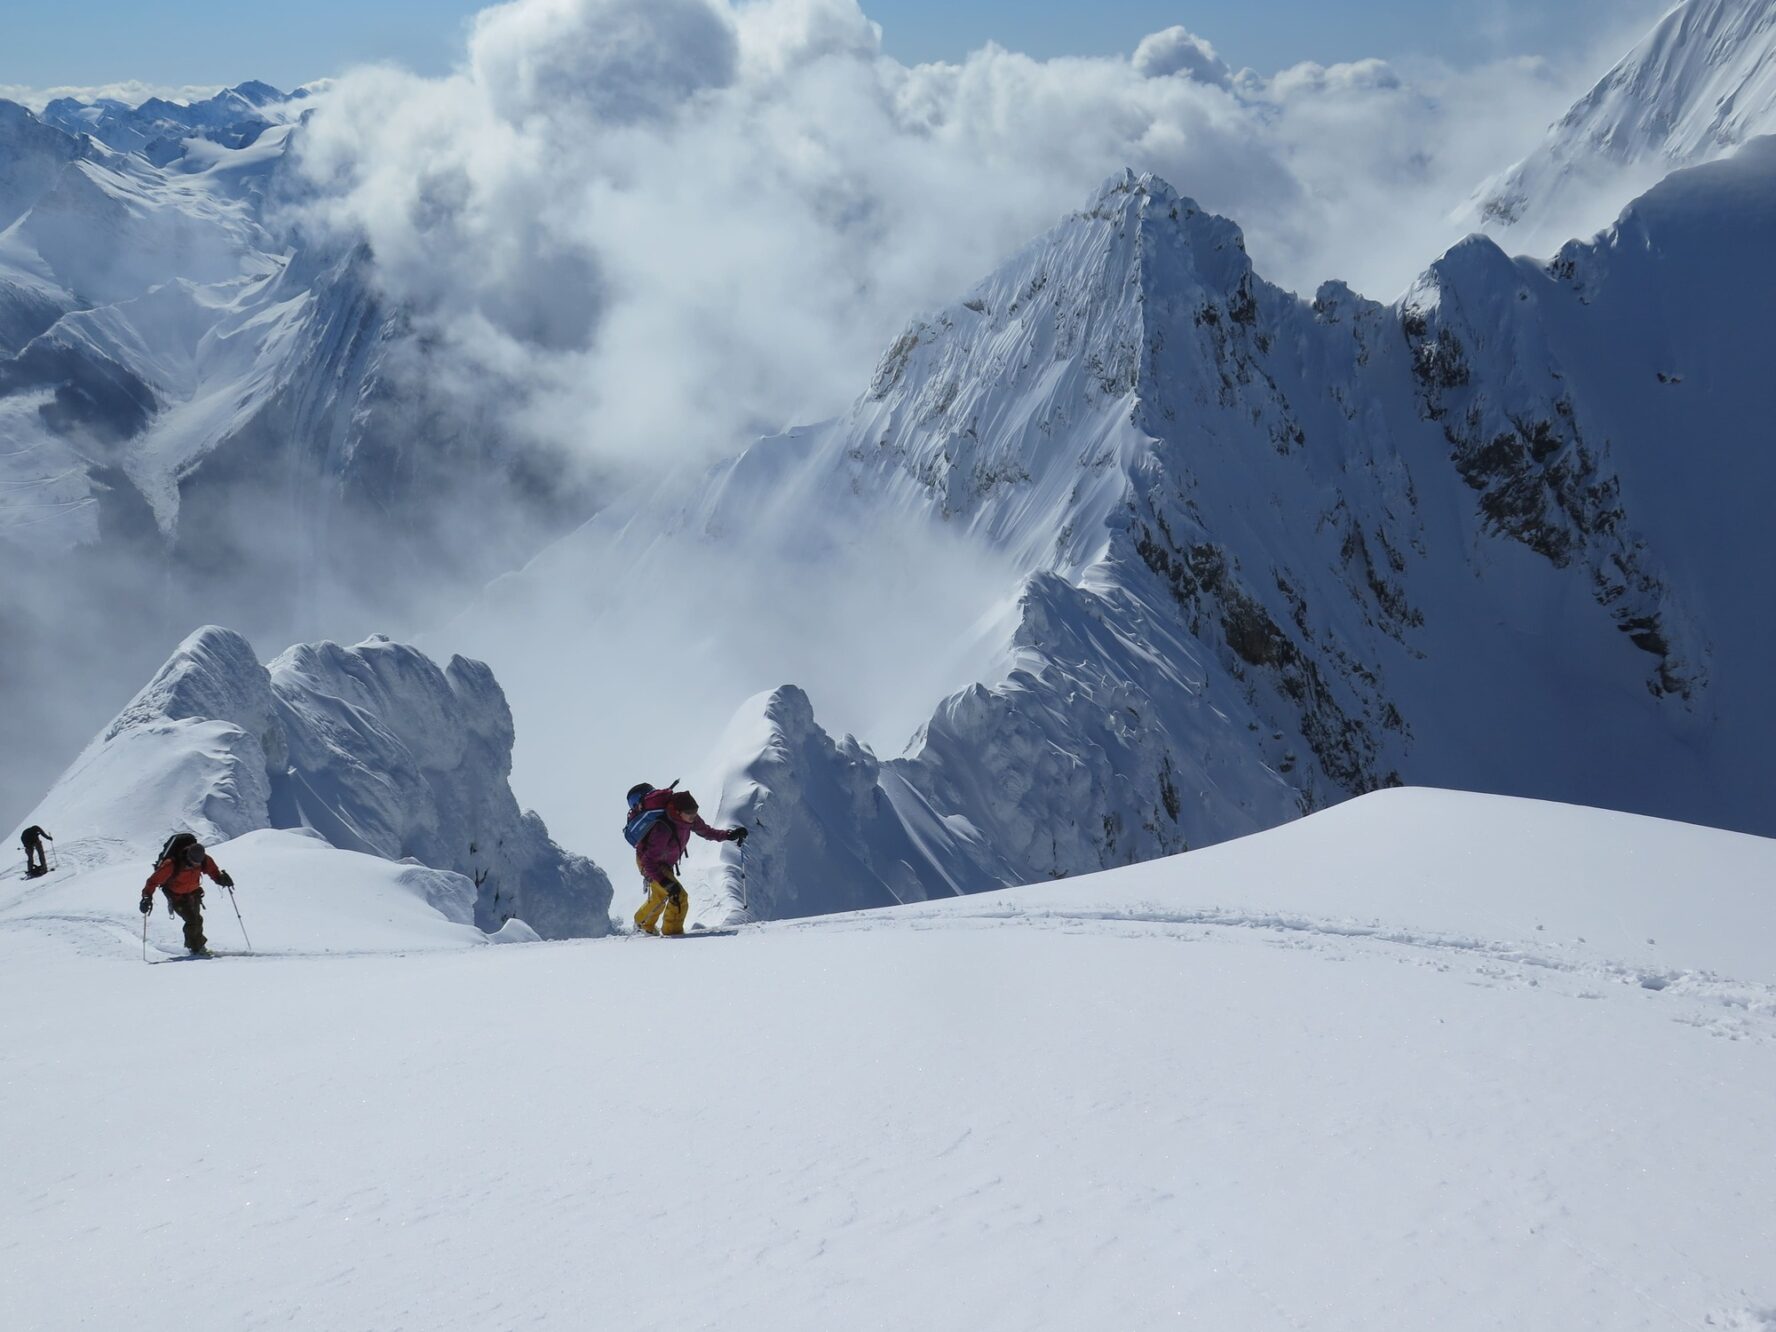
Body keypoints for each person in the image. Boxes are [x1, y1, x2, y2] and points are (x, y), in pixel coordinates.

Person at [625, 784, 746, 936]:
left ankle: (643, 924)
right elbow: (649, 861)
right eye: (690, 815)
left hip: (663, 861)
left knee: (660, 895)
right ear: (677, 812)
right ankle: (673, 935)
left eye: (695, 813)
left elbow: (707, 831)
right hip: (650, 863)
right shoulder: (662, 829)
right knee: (677, 896)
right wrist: (664, 882)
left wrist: (729, 835)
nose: (693, 817)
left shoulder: (688, 816)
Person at [140, 833, 234, 956]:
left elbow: (212, 870)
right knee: (192, 920)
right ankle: (196, 949)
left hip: (193, 893)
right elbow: (153, 881)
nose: (196, 865)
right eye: (193, 862)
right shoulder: (172, 864)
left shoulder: (204, 859)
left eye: (198, 863)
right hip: (176, 896)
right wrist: (147, 897)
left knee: (197, 920)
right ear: (188, 856)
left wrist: (220, 879)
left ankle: (197, 946)